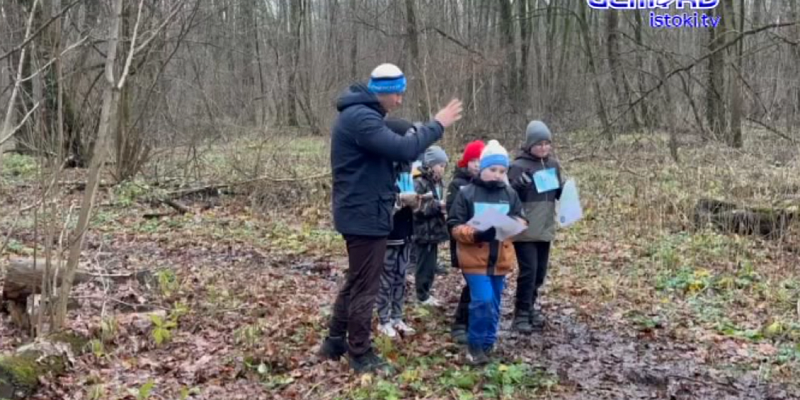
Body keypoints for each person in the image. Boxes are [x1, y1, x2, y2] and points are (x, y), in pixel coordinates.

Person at [319, 62, 463, 373]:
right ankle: (360, 353)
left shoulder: (363, 115)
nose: (400, 100)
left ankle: (334, 342)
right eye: (397, 94)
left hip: (364, 211)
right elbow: (404, 148)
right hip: (363, 215)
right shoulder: (360, 119)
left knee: (356, 280)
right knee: (366, 286)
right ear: (383, 93)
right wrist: (437, 124)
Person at [447, 140, 526, 365]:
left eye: (502, 171)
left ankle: (489, 344)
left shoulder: (509, 194)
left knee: (494, 303)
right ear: (482, 168)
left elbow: (521, 218)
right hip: (475, 259)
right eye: (493, 169)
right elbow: (454, 225)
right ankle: (475, 347)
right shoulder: (467, 193)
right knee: (481, 300)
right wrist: (476, 234)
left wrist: (513, 224)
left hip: (500, 258)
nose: (497, 174)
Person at [508, 120, 564, 334]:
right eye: (539, 144)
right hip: (524, 229)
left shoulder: (553, 165)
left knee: (539, 273)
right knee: (528, 272)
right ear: (530, 144)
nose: (543, 148)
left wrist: (567, 190)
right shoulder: (518, 166)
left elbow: (557, 192)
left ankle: (530, 307)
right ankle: (520, 313)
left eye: (547, 143)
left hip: (545, 227)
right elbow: (508, 197)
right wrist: (517, 186)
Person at [376, 117, 419, 338]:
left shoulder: (408, 167)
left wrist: (418, 201)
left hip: (406, 230)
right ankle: (382, 319)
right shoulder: (383, 167)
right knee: (386, 277)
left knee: (401, 276)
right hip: (388, 232)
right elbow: (380, 200)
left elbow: (410, 194)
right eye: (408, 139)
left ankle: (397, 317)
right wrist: (400, 199)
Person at [446, 140, 486, 344]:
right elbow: (453, 217)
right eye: (473, 160)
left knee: (479, 284)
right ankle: (460, 322)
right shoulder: (458, 185)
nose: (477, 165)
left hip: (486, 243)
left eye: (481, 160)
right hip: (465, 240)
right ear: (466, 162)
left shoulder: (489, 183)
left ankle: (474, 321)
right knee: (472, 283)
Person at [413, 146, 450, 306]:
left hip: (434, 230)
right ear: (430, 164)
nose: (442, 169)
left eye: (444, 166)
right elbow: (417, 205)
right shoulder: (419, 181)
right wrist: (437, 206)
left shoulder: (438, 183)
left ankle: (426, 291)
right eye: (440, 166)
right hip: (423, 231)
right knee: (424, 265)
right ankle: (422, 295)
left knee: (431, 264)